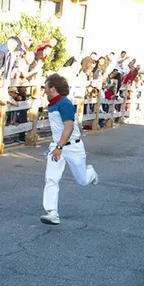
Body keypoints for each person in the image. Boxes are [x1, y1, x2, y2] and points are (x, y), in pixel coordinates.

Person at [41, 73, 99, 225]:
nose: (45, 91)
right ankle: (52, 212)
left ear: (53, 88)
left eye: (46, 88)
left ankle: (90, 173)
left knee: (82, 180)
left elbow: (68, 126)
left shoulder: (64, 103)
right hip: (57, 146)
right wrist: (57, 146)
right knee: (51, 178)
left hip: (72, 147)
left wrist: (60, 146)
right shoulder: (54, 104)